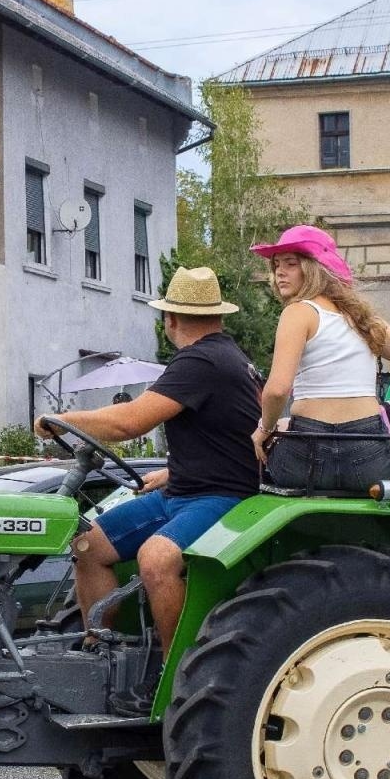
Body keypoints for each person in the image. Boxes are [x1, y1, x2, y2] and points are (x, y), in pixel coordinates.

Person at [34, 266, 261, 716]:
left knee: (156, 559)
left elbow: (129, 422)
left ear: (170, 320)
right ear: (215, 315)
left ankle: (175, 676)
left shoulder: (202, 362)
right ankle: (102, 658)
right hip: (188, 489)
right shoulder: (226, 357)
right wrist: (175, 474)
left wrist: (62, 420)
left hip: (224, 497)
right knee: (89, 543)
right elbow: (224, 435)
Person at [249, 225, 390, 493]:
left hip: (306, 458)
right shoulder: (360, 319)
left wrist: (265, 428)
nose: (279, 272)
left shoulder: (298, 312)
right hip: (369, 459)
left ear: (313, 269)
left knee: (261, 453)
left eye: (291, 263)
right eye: (276, 264)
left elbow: (276, 391)